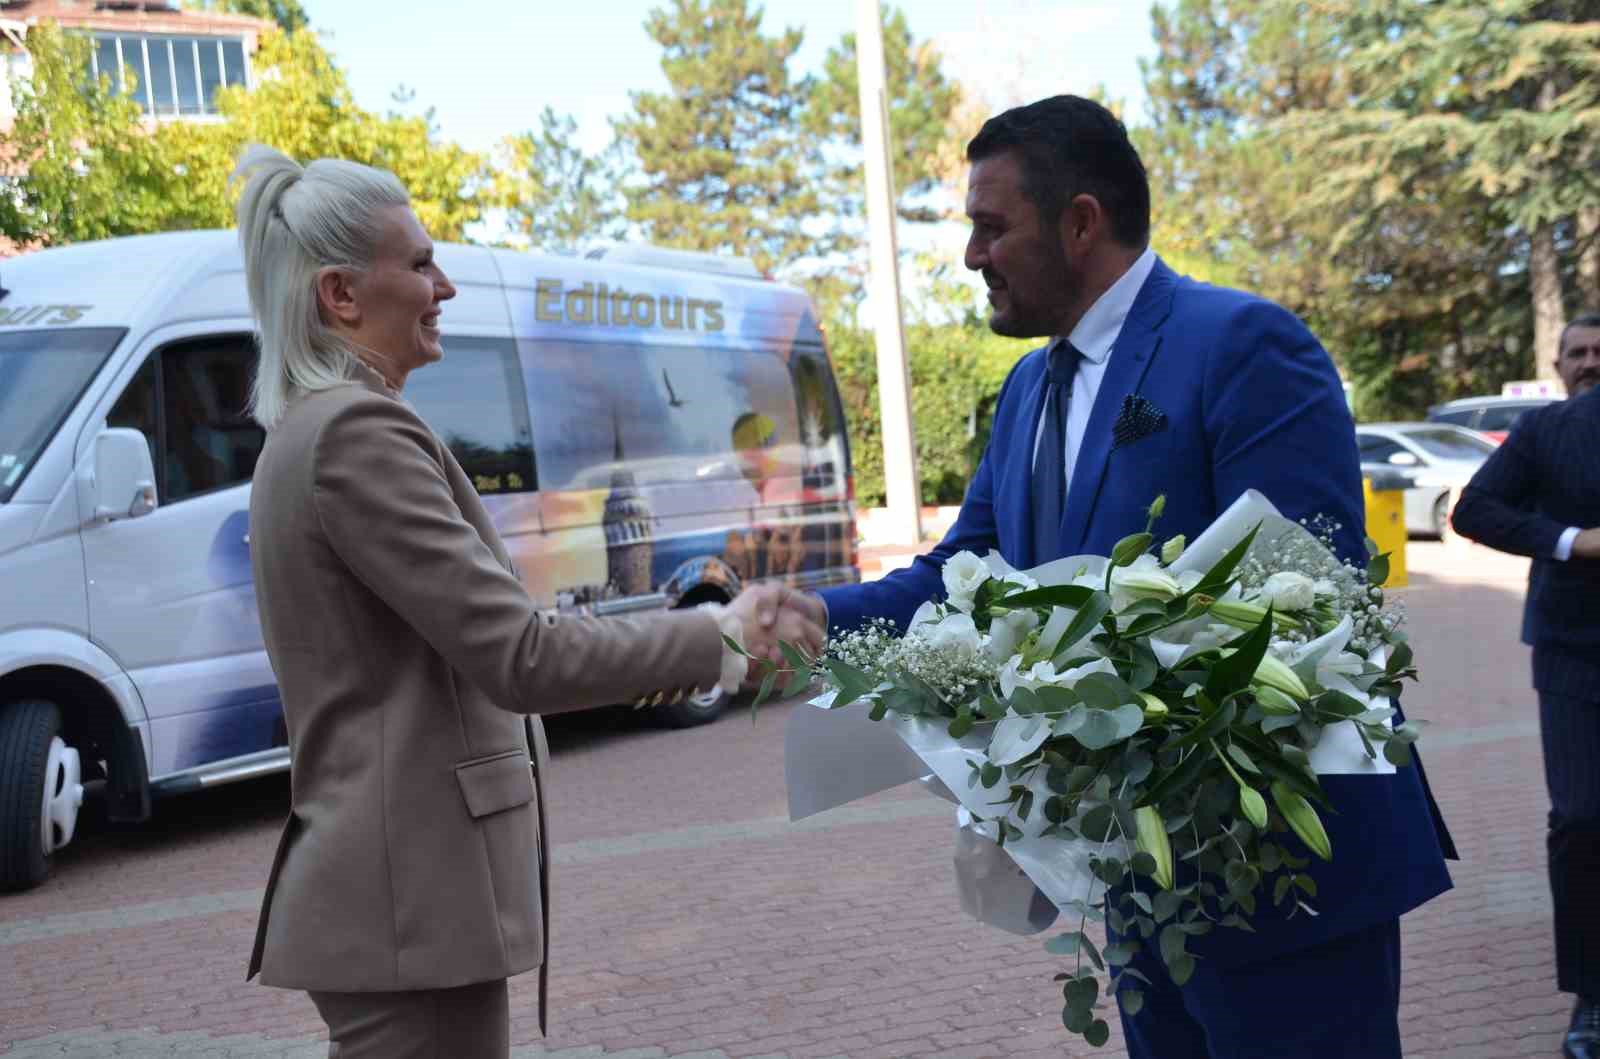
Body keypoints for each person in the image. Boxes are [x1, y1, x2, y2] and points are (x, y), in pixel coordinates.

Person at [780, 95, 1454, 1058]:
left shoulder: (1242, 343)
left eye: (991, 227)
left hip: (1285, 874)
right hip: (1140, 878)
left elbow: (1312, 600)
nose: (972, 256)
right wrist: (813, 612)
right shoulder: (1026, 389)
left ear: (1081, 222)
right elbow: (961, 575)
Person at [232, 144, 823, 1059]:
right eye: (420, 264)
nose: (444, 287)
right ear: (341, 295)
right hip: (410, 905)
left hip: (400, 902)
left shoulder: (315, 429)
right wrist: (719, 636)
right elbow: (522, 656)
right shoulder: (356, 431)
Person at [1452, 313, 1600, 1059]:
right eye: (1578, 351)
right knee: (1581, 818)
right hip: (1574, 654)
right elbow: (1472, 510)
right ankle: (1592, 996)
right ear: (1559, 363)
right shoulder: (1544, 432)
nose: (1590, 361)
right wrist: (1572, 541)